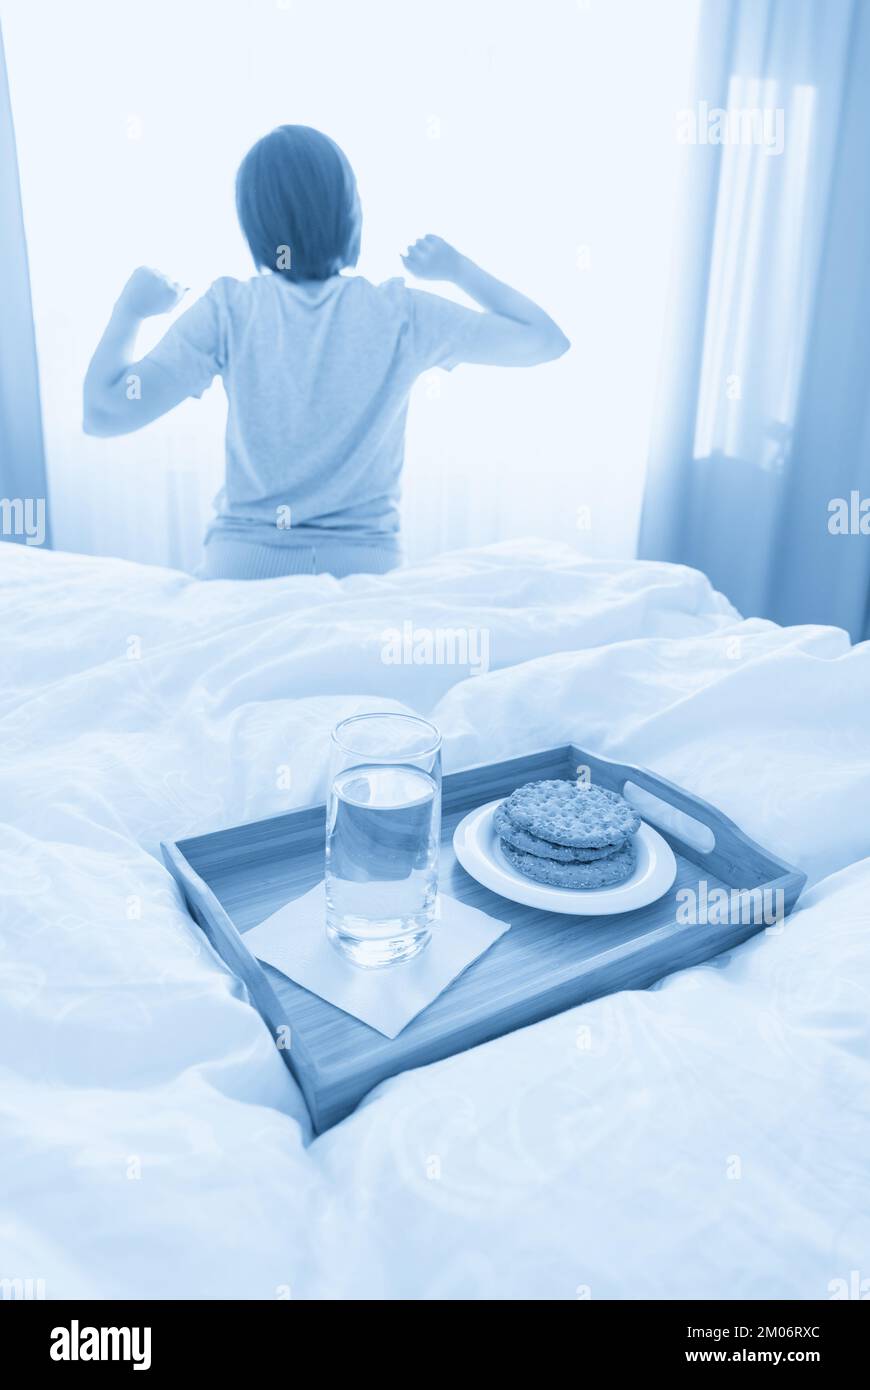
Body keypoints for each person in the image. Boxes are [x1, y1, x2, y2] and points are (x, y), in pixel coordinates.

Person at [83, 124, 570, 579]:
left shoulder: (229, 309)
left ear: (253, 220)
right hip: (365, 569)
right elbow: (543, 341)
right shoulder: (401, 314)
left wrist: (130, 310)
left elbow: (104, 416)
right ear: (348, 210)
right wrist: (457, 268)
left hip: (242, 566)